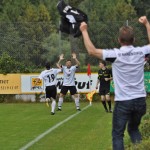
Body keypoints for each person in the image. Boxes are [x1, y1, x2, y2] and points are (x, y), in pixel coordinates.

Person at [80, 16, 150, 150]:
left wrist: (84, 30)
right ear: (134, 40)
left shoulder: (115, 55)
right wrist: (147, 24)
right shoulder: (141, 52)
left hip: (124, 101)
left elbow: (91, 51)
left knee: (118, 135)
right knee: (134, 130)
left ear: (119, 40)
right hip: (140, 99)